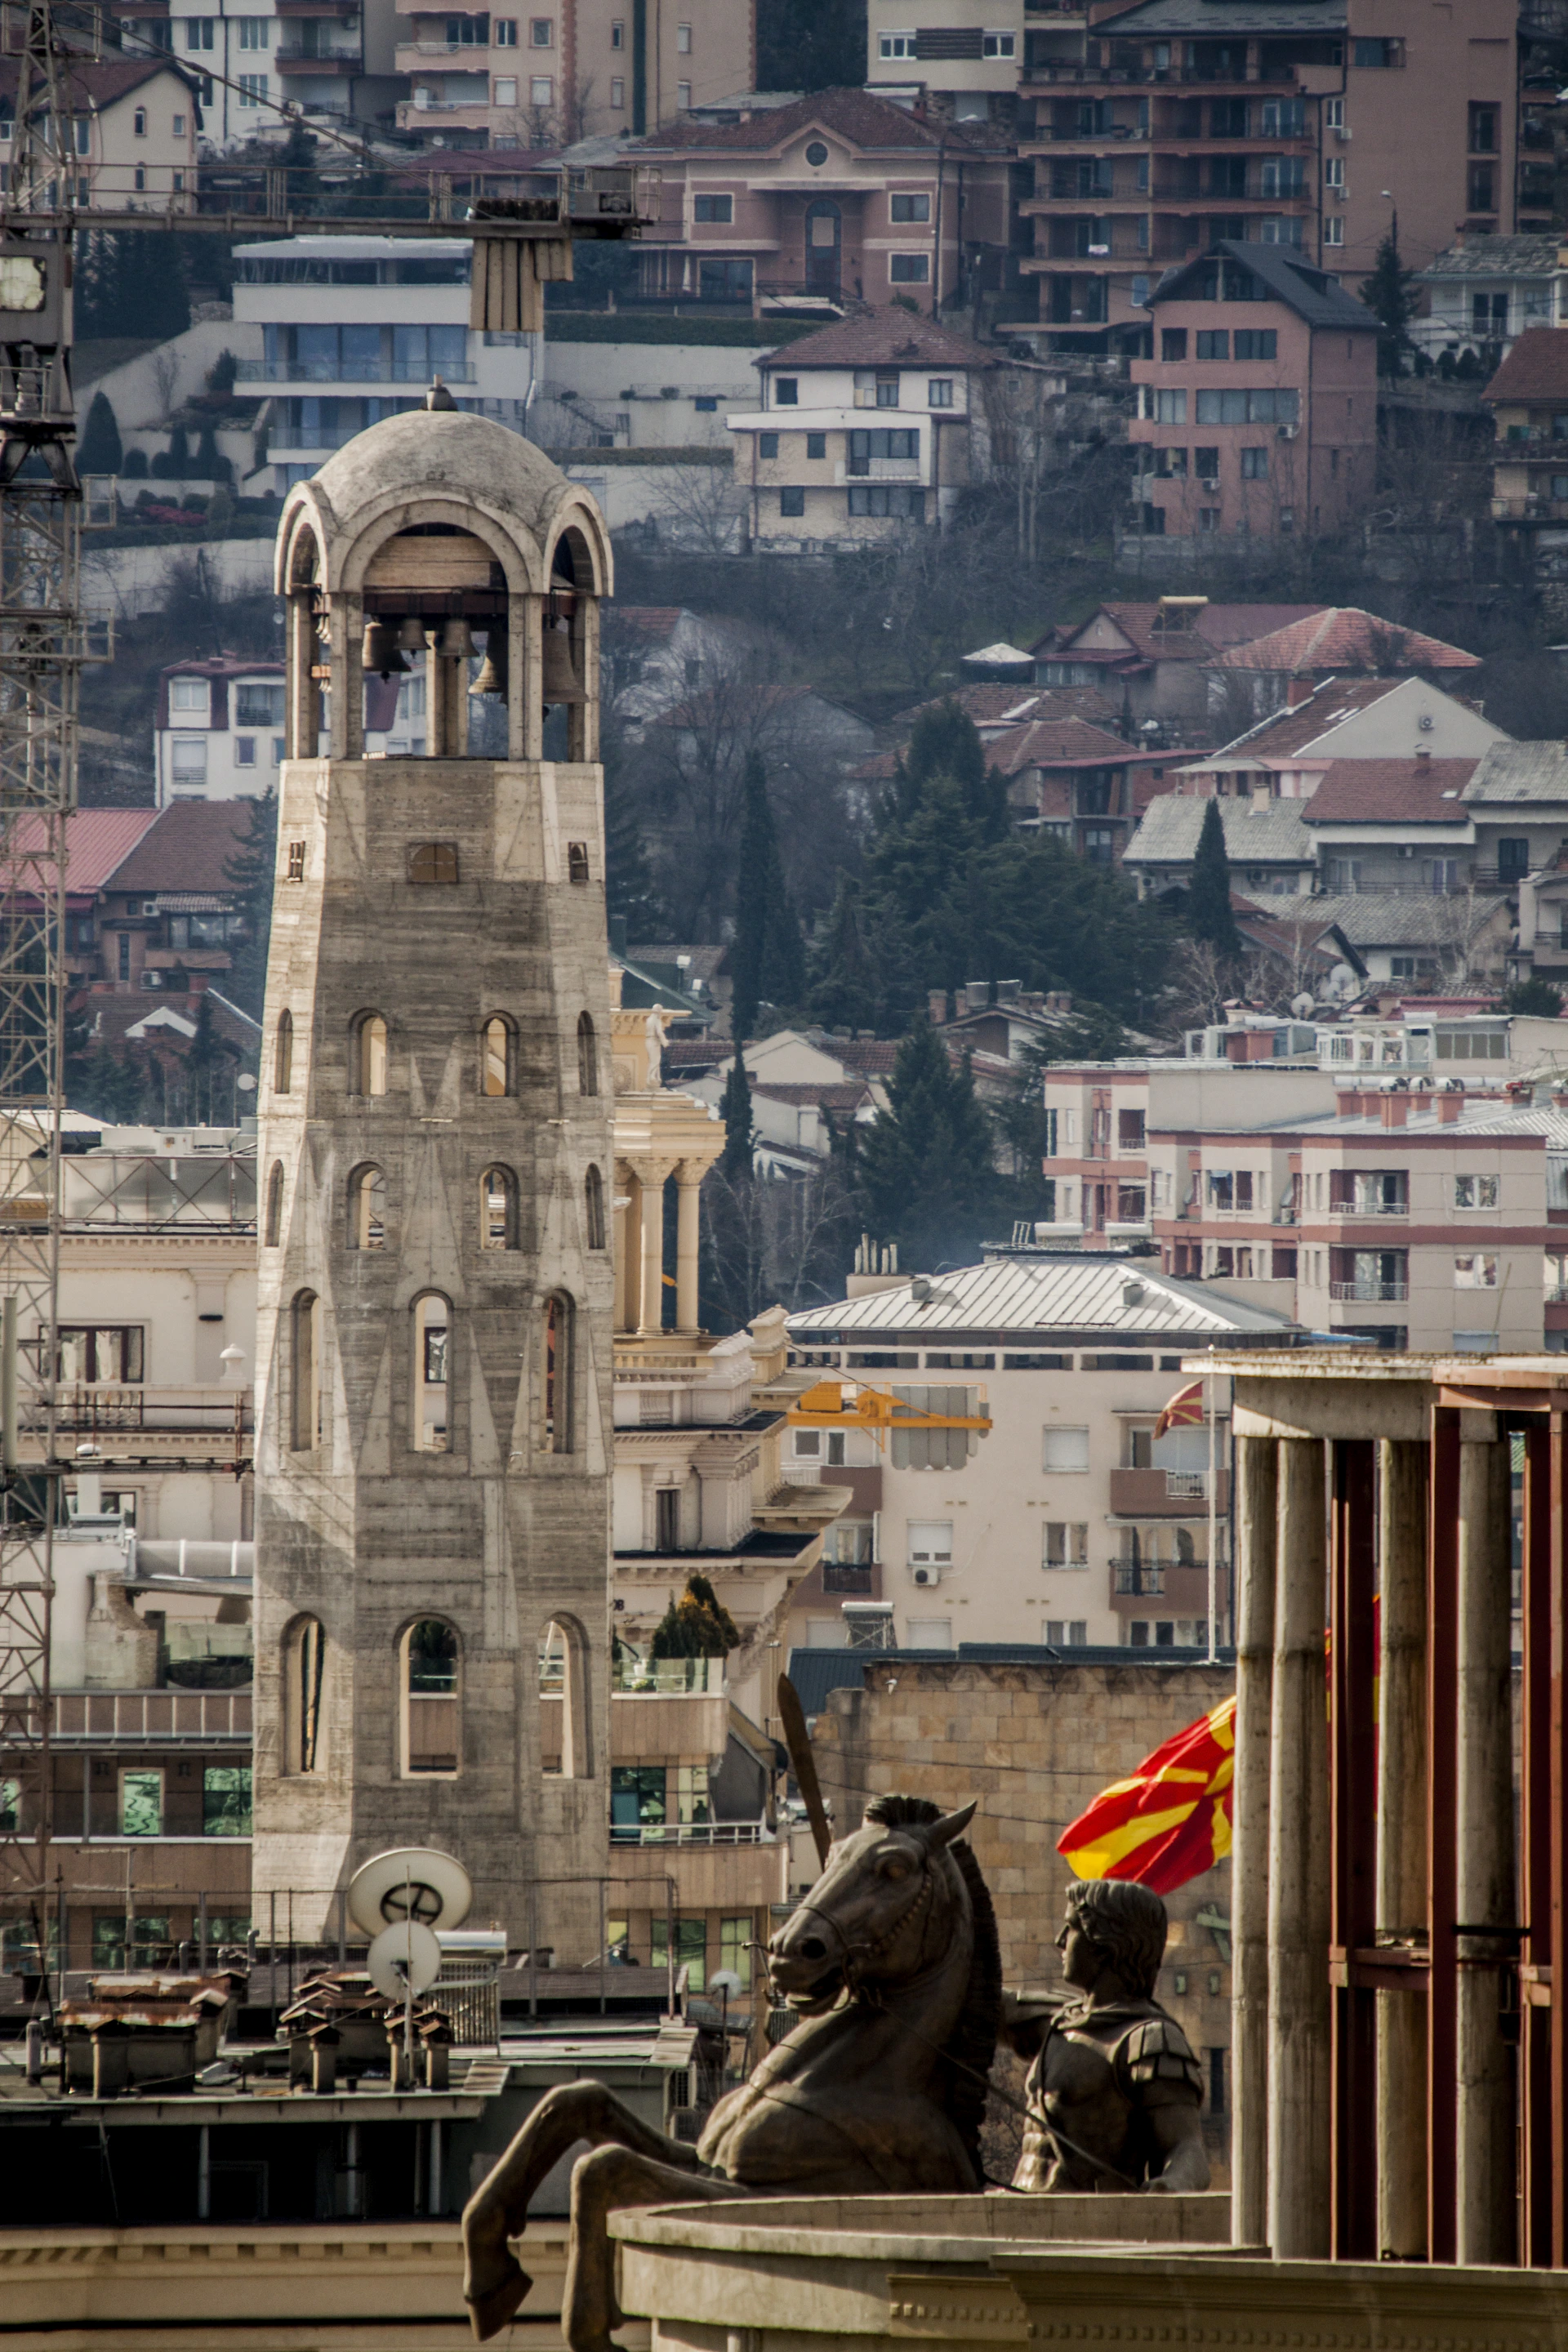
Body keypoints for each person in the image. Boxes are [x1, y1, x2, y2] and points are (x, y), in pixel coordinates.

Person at [1001, 1878, 1209, 2194]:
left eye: (1071, 1929)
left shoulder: (1150, 2040)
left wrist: (1170, 2186)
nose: (1059, 1941)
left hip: (1087, 2228)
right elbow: (977, 2006)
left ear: (1105, 1944)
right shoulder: (1060, 2022)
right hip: (1019, 2209)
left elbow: (1187, 2150)